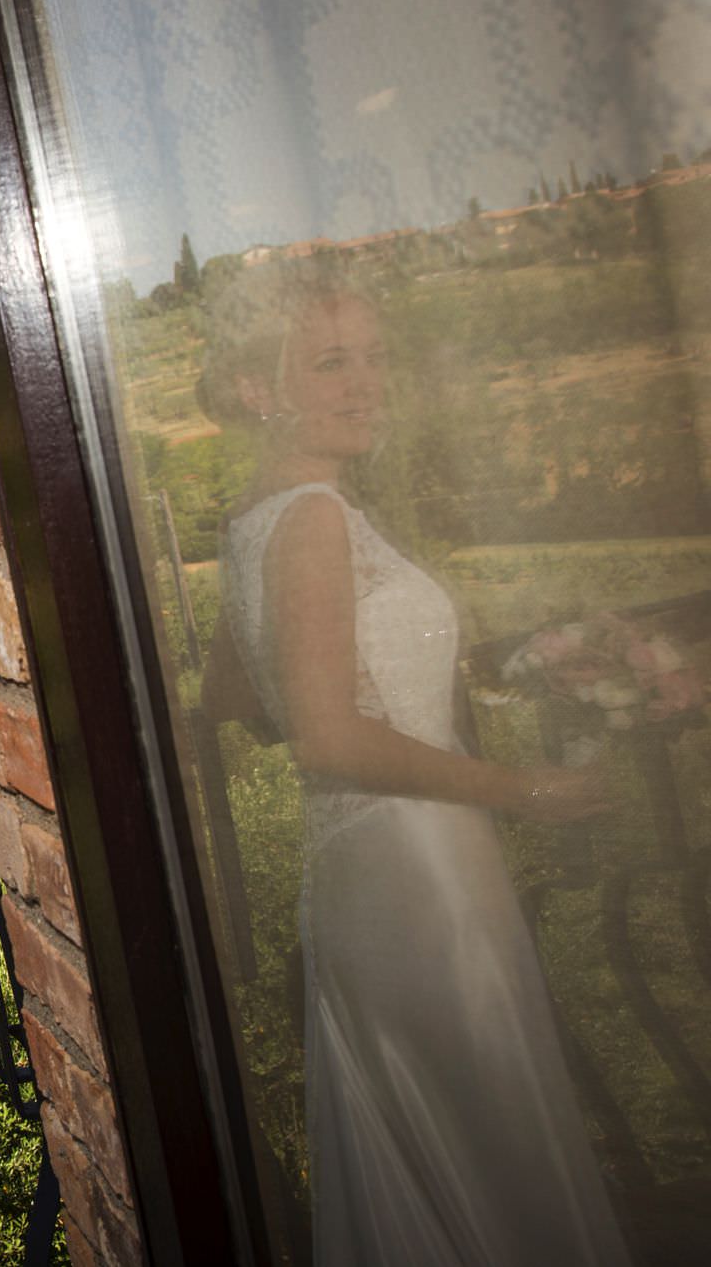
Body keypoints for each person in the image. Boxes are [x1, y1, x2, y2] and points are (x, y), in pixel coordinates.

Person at [199, 267, 630, 1265]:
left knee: (446, 1151)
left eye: (374, 355)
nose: (364, 384)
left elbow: (233, 693)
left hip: (358, 869)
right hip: (416, 874)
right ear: (261, 388)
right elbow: (326, 735)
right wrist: (531, 791)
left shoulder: (253, 515)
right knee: (500, 1157)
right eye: (329, 362)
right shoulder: (307, 515)